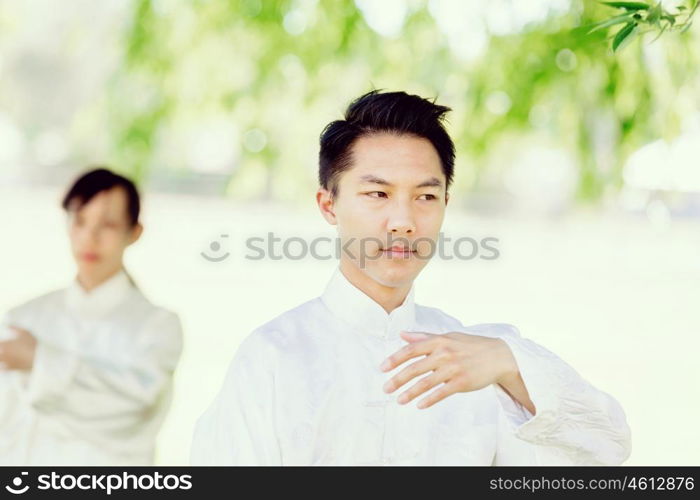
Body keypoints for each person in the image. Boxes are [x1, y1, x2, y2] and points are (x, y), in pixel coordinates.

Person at [190, 90, 632, 465]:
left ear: (445, 203)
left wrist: (511, 363)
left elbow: (607, 449)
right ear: (329, 205)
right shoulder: (274, 357)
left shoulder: (477, 357)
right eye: (377, 193)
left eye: (425, 196)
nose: (403, 221)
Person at [0, 168, 183, 465]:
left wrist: (39, 362)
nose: (90, 237)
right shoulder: (23, 318)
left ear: (134, 232)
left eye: (108, 224)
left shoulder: (157, 326)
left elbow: (131, 413)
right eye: (80, 221)